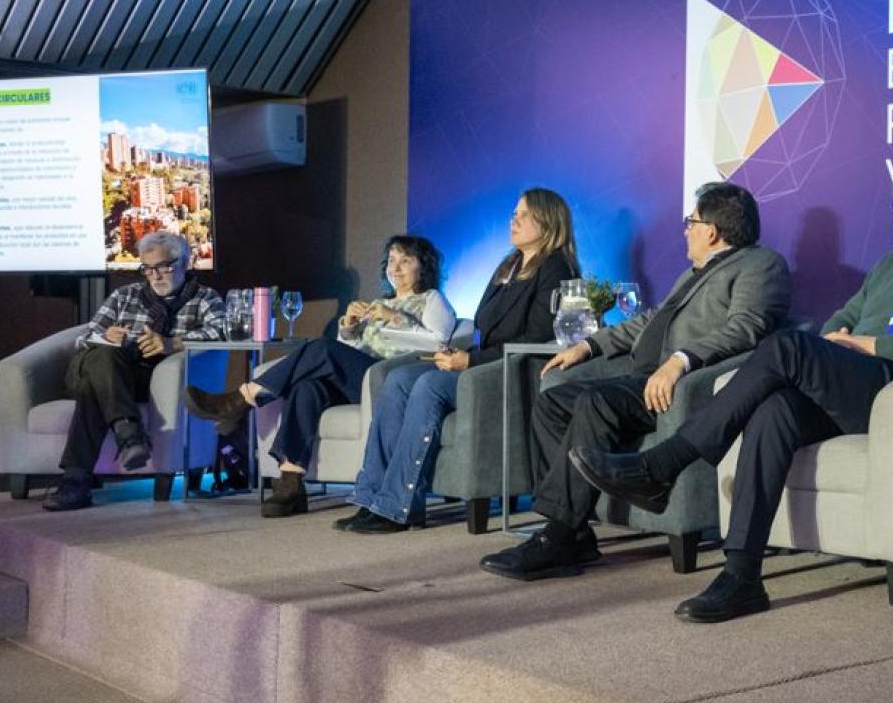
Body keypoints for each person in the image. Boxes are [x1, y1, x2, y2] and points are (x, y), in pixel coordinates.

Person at [572, 158, 893, 622]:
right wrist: (838, 335)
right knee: (774, 409)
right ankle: (741, 574)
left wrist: (873, 343)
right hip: (853, 382)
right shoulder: (889, 265)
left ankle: (664, 465)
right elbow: (845, 313)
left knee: (785, 347)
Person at [479, 183, 791, 580]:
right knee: (553, 400)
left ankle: (557, 536)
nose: (685, 230)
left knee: (594, 401)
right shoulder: (694, 273)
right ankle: (574, 533)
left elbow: (748, 329)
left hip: (684, 387)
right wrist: (588, 346)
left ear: (712, 230)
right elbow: (650, 320)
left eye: (691, 222)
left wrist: (681, 360)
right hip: (641, 378)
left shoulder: (761, 265)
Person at [334, 189, 580, 534]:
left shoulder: (555, 267)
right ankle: (372, 496)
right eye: (513, 213)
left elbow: (537, 339)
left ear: (548, 220)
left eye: (522, 214)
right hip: (481, 359)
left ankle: (398, 505)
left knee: (429, 384)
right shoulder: (509, 265)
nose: (514, 219)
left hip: (507, 370)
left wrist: (471, 361)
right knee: (399, 379)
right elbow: (483, 323)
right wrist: (459, 354)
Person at [184, 236, 455, 518]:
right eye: (391, 260)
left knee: (321, 347)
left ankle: (242, 399)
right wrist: (349, 330)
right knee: (306, 387)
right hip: (358, 378)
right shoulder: (377, 303)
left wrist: (395, 318)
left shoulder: (432, 300)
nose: (395, 268)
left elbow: (439, 343)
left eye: (405, 261)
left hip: (391, 380)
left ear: (424, 267)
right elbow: (352, 351)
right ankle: (290, 482)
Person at [41, 231, 227, 512]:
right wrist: (107, 338)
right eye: (148, 268)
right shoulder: (124, 296)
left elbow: (221, 332)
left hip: (141, 378)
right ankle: (129, 436)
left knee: (99, 386)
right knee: (103, 357)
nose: (155, 276)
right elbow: (85, 337)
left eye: (164, 266)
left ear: (185, 263)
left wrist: (172, 343)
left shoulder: (204, 299)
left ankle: (76, 481)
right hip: (91, 370)